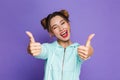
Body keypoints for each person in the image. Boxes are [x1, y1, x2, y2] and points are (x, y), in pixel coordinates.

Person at [26, 9, 95, 80]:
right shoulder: (49, 49)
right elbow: (40, 50)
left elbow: (86, 53)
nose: (61, 28)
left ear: (68, 24)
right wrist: (31, 49)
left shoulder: (78, 50)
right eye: (55, 27)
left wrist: (89, 51)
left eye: (62, 23)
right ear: (51, 33)